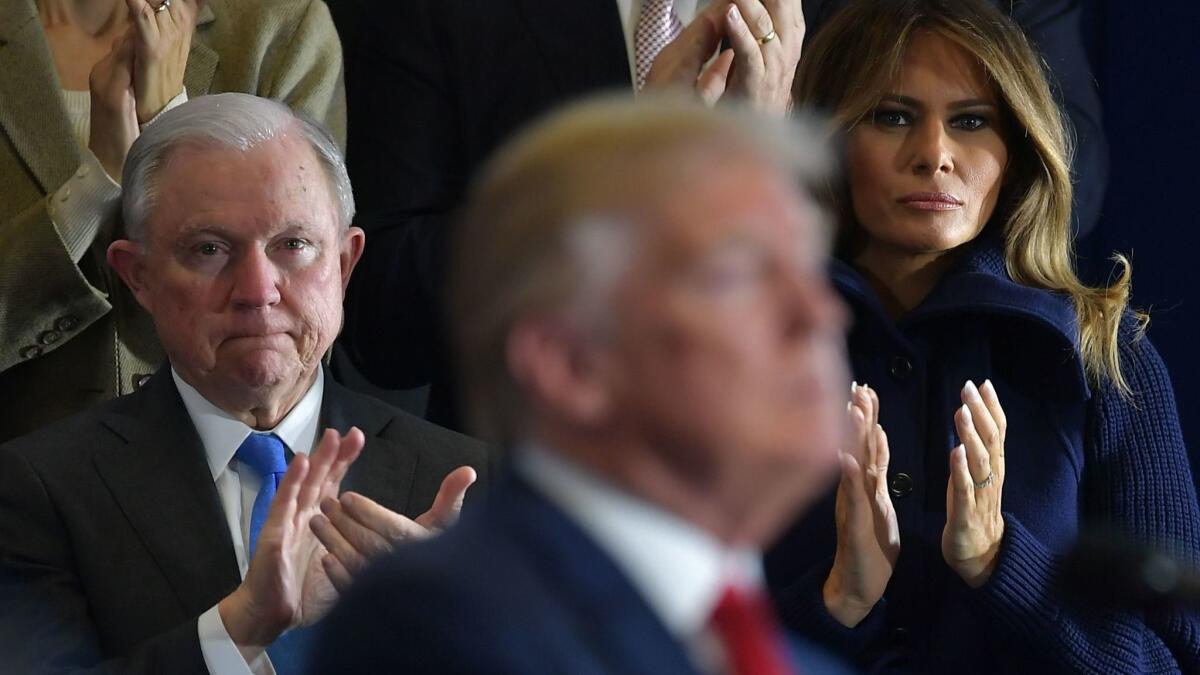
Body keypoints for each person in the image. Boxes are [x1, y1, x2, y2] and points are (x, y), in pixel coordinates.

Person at [338, 0, 1105, 432]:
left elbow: (1050, 186)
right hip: (528, 499)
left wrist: (776, 163)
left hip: (836, 488)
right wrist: (624, 168)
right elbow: (385, 322)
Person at [315, 95, 854, 674]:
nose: (820, 315)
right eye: (739, 274)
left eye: (809, 267)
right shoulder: (441, 629)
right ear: (571, 364)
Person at [763, 1, 1200, 672]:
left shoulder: (1105, 354)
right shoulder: (752, 345)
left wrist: (1001, 562)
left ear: (1017, 148)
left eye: (971, 122)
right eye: (893, 116)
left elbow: (1172, 656)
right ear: (829, 140)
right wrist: (838, 601)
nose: (935, 155)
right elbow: (654, 634)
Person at [0, 93, 490, 675]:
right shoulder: (38, 491)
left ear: (344, 264)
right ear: (140, 277)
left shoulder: (469, 484)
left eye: (293, 246)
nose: (257, 290)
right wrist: (240, 628)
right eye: (210, 249)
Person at [0, 0, 345, 442]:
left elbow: (310, 288)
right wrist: (95, 183)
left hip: (232, 459)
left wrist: (167, 119)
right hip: (20, 462)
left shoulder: (281, 28)